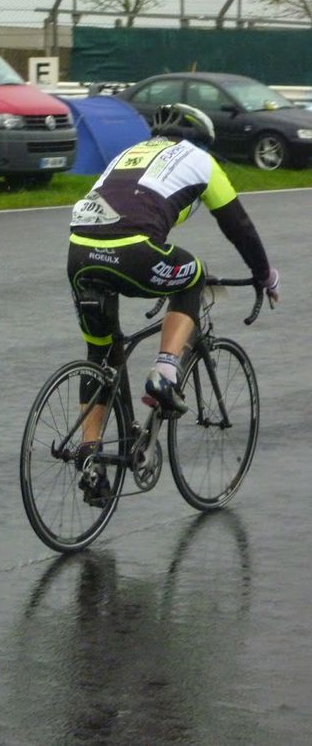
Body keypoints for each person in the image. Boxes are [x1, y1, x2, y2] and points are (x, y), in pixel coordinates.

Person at [66, 103, 280, 506]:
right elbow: (239, 226)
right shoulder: (201, 161)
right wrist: (264, 273)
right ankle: (165, 372)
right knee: (193, 273)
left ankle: (89, 456)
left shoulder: (128, 154)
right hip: (134, 251)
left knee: (101, 354)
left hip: (79, 253)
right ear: (203, 140)